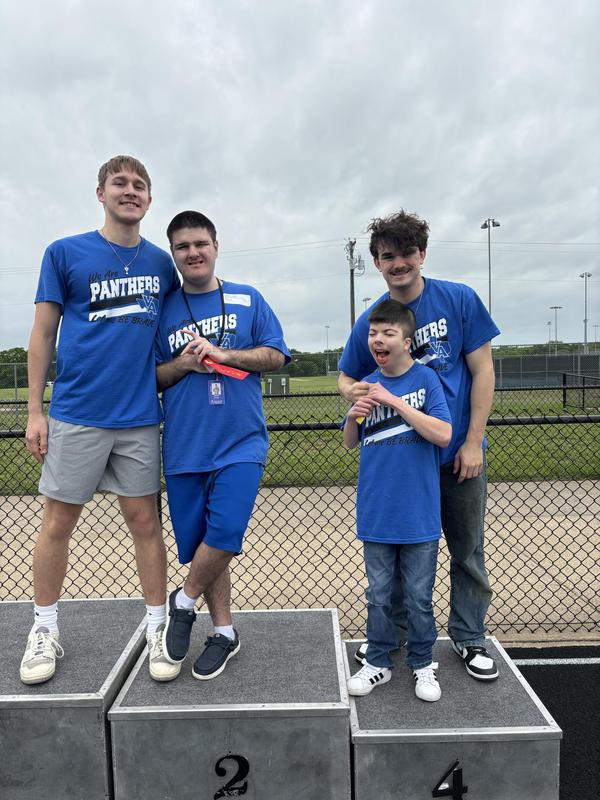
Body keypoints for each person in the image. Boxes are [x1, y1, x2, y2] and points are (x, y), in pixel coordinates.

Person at [21, 155, 181, 686]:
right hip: (76, 413)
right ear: (100, 192)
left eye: (139, 185)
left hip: (137, 417)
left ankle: (157, 628)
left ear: (150, 200)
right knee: (57, 524)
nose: (129, 191)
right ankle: (44, 628)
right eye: (120, 183)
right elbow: (43, 334)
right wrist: (35, 410)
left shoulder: (162, 264)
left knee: (145, 525)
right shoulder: (65, 253)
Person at [339, 210, 501, 681]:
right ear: (377, 263)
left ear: (422, 254)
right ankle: (399, 640)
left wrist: (473, 442)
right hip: (404, 460)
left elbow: (483, 372)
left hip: (455, 456)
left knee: (466, 550)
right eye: (388, 256)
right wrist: (357, 394)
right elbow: (348, 377)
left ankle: (469, 637)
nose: (399, 263)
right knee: (398, 558)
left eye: (407, 253)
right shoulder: (373, 320)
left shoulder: (459, 299)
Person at [155, 211, 290, 680]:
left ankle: (184, 600)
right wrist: (186, 365)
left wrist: (225, 354)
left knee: (226, 529)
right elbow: (152, 376)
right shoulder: (164, 308)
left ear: (216, 246)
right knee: (201, 547)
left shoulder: (247, 298)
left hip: (240, 442)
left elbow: (275, 355)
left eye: (200, 243)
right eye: (182, 247)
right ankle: (225, 632)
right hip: (184, 448)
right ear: (174, 255)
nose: (193, 253)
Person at [344, 300, 452, 701]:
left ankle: (423, 665)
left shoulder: (426, 380)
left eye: (387, 333)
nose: (378, 340)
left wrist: (396, 403)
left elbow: (442, 433)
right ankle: (378, 663)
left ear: (407, 341)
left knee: (419, 599)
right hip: (377, 510)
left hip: (419, 511)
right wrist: (356, 414)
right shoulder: (368, 382)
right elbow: (350, 442)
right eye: (373, 333)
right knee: (378, 595)